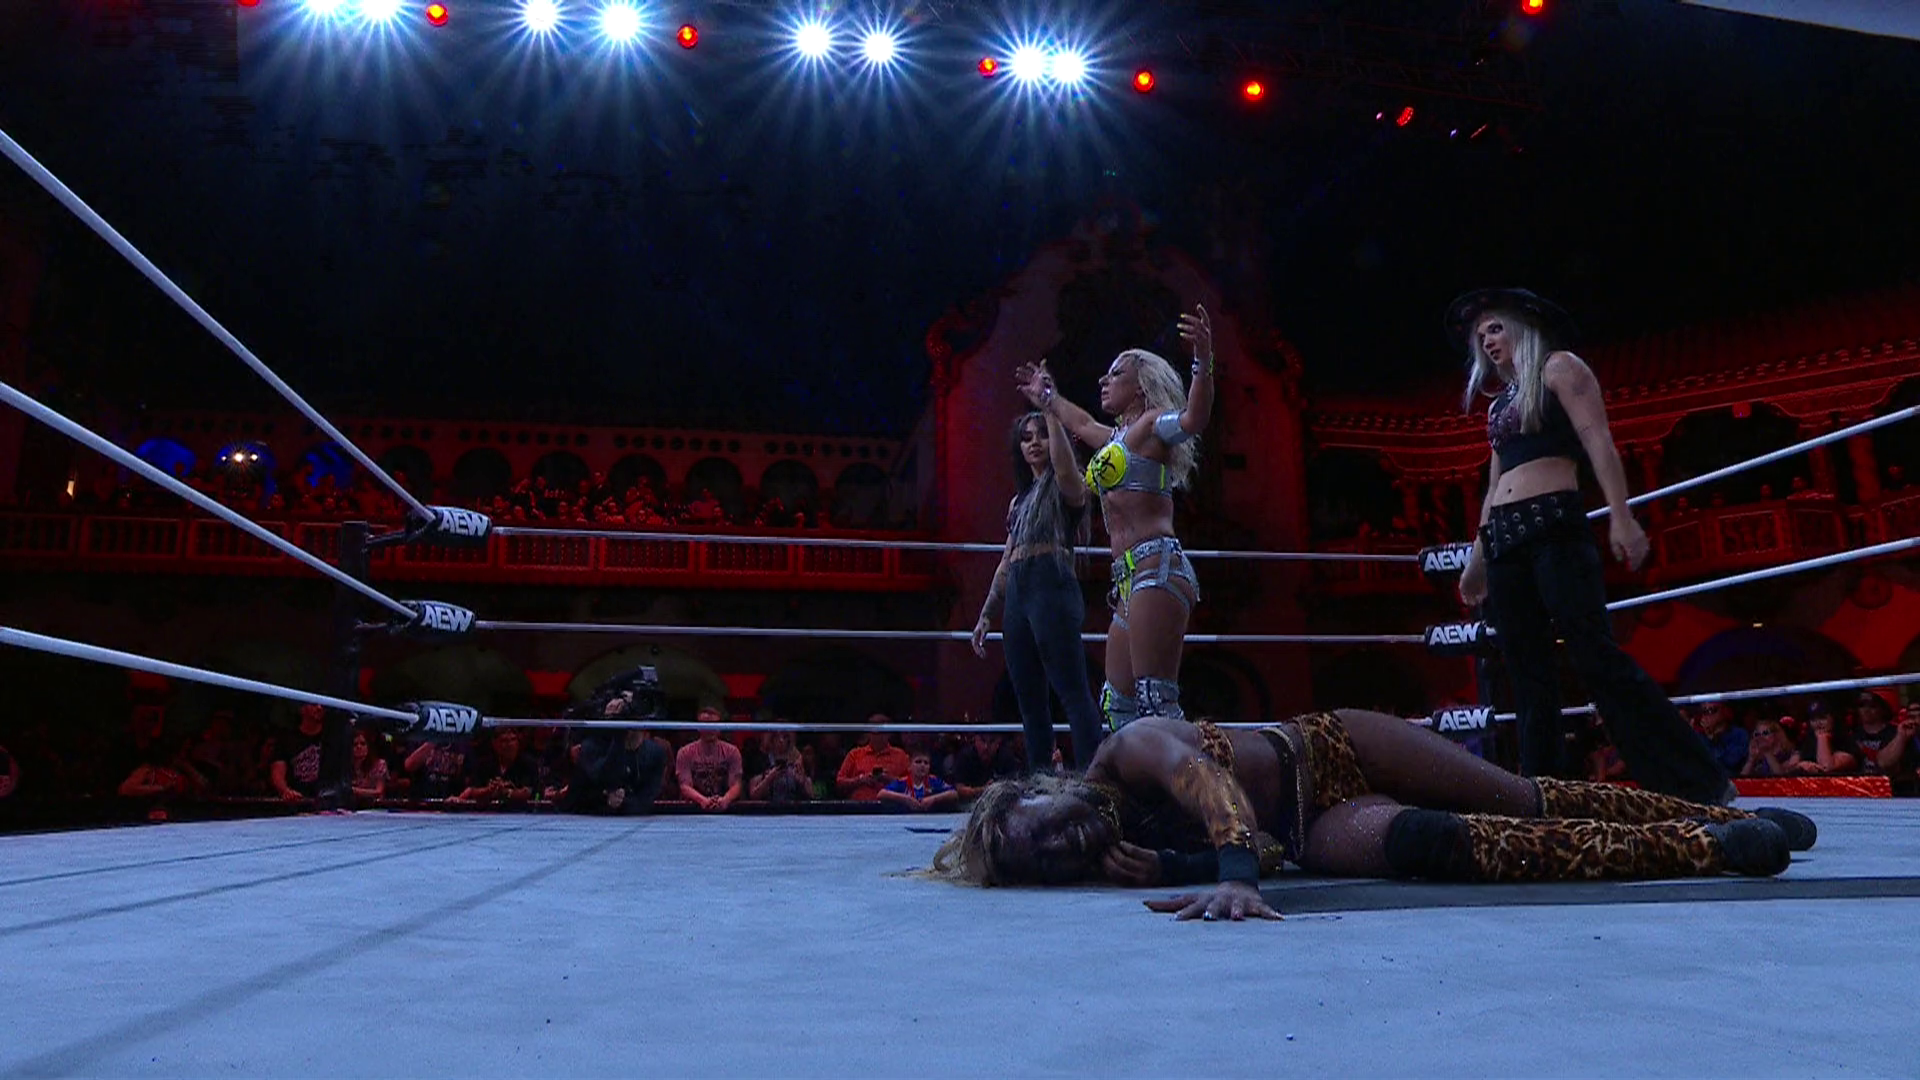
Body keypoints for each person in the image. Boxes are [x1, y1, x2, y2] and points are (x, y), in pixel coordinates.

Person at [932, 710, 1816, 921]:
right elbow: (1271, 851)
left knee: (1517, 795)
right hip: (1316, 828)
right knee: (1435, 843)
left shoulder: (1125, 750)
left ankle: (1702, 808)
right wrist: (1186, 870)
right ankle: (1705, 846)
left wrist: (1227, 874)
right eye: (1046, 860)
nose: (1062, 844)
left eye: (1043, 825)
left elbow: (1211, 790)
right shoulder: (1120, 857)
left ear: (1039, 788)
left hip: (1331, 748)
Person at [1448, 289, 1734, 805]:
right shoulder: (1500, 405)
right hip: (1506, 539)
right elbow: (1493, 489)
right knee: (1525, 672)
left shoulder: (1559, 367)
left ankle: (1695, 781)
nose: (1487, 340)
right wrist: (1477, 560)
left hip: (1554, 525)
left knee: (1594, 655)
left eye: (1496, 327)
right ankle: (1542, 795)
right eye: (1481, 333)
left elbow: (1598, 439)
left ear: (1524, 326)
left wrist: (1622, 517)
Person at [1014, 304, 1216, 729]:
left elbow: (1194, 418)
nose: (1103, 381)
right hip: (1126, 579)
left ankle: (1193, 773)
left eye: (1116, 374)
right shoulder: (1118, 438)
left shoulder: (1152, 426)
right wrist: (1048, 398)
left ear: (1141, 387)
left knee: (1155, 701)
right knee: (1118, 706)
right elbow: (1082, 423)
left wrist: (1202, 361)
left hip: (1156, 568)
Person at [972, 410, 1103, 770]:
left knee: (1072, 690)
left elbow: (1066, 471)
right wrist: (986, 613)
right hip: (1019, 589)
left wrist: (1051, 410)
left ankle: (1093, 776)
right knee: (1029, 698)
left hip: (1051, 585)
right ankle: (1040, 777)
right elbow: (1005, 560)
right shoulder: (1018, 503)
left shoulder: (1067, 485)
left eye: (1041, 435)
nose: (1034, 443)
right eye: (1027, 437)